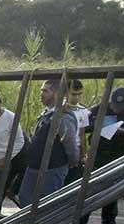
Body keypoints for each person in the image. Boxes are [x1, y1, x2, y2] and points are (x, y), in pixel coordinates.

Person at [18, 79, 80, 207]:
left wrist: (73, 160)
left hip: (52, 168)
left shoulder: (63, 116)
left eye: (45, 91)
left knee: (48, 204)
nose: (41, 94)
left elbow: (70, 143)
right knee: (25, 199)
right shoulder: (46, 113)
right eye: (41, 90)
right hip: (35, 166)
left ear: (57, 93)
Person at [80, 87, 124, 224]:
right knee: (89, 195)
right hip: (98, 158)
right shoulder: (98, 109)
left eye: (119, 107)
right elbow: (83, 128)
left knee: (112, 197)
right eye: (114, 106)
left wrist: (121, 132)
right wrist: (95, 123)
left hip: (119, 159)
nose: (116, 109)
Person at [64, 79, 91, 185]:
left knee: (73, 180)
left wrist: (84, 154)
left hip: (77, 149)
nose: (77, 97)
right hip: (62, 149)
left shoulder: (82, 110)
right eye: (74, 94)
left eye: (79, 94)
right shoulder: (60, 108)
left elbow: (82, 133)